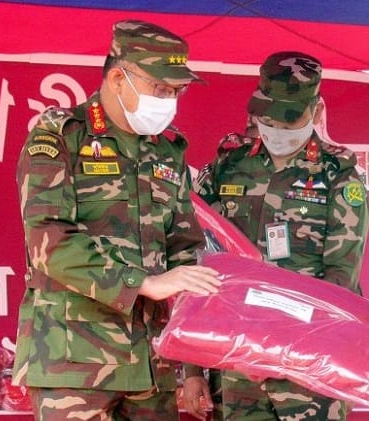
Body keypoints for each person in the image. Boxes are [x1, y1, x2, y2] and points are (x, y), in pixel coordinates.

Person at [12, 20, 221, 420]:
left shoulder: (167, 150)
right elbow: (47, 240)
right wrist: (142, 282)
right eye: (159, 88)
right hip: (74, 363)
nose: (169, 99)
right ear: (117, 78)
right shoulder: (61, 136)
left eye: (176, 91)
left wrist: (193, 367)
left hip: (152, 367)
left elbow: (186, 257)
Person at [183, 51, 369, 420]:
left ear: (316, 111)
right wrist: (192, 369)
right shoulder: (229, 166)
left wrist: (284, 344)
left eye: (291, 119)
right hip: (237, 360)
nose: (278, 129)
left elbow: (341, 279)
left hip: (308, 362)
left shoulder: (338, 175)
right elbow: (197, 258)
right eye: (269, 118)